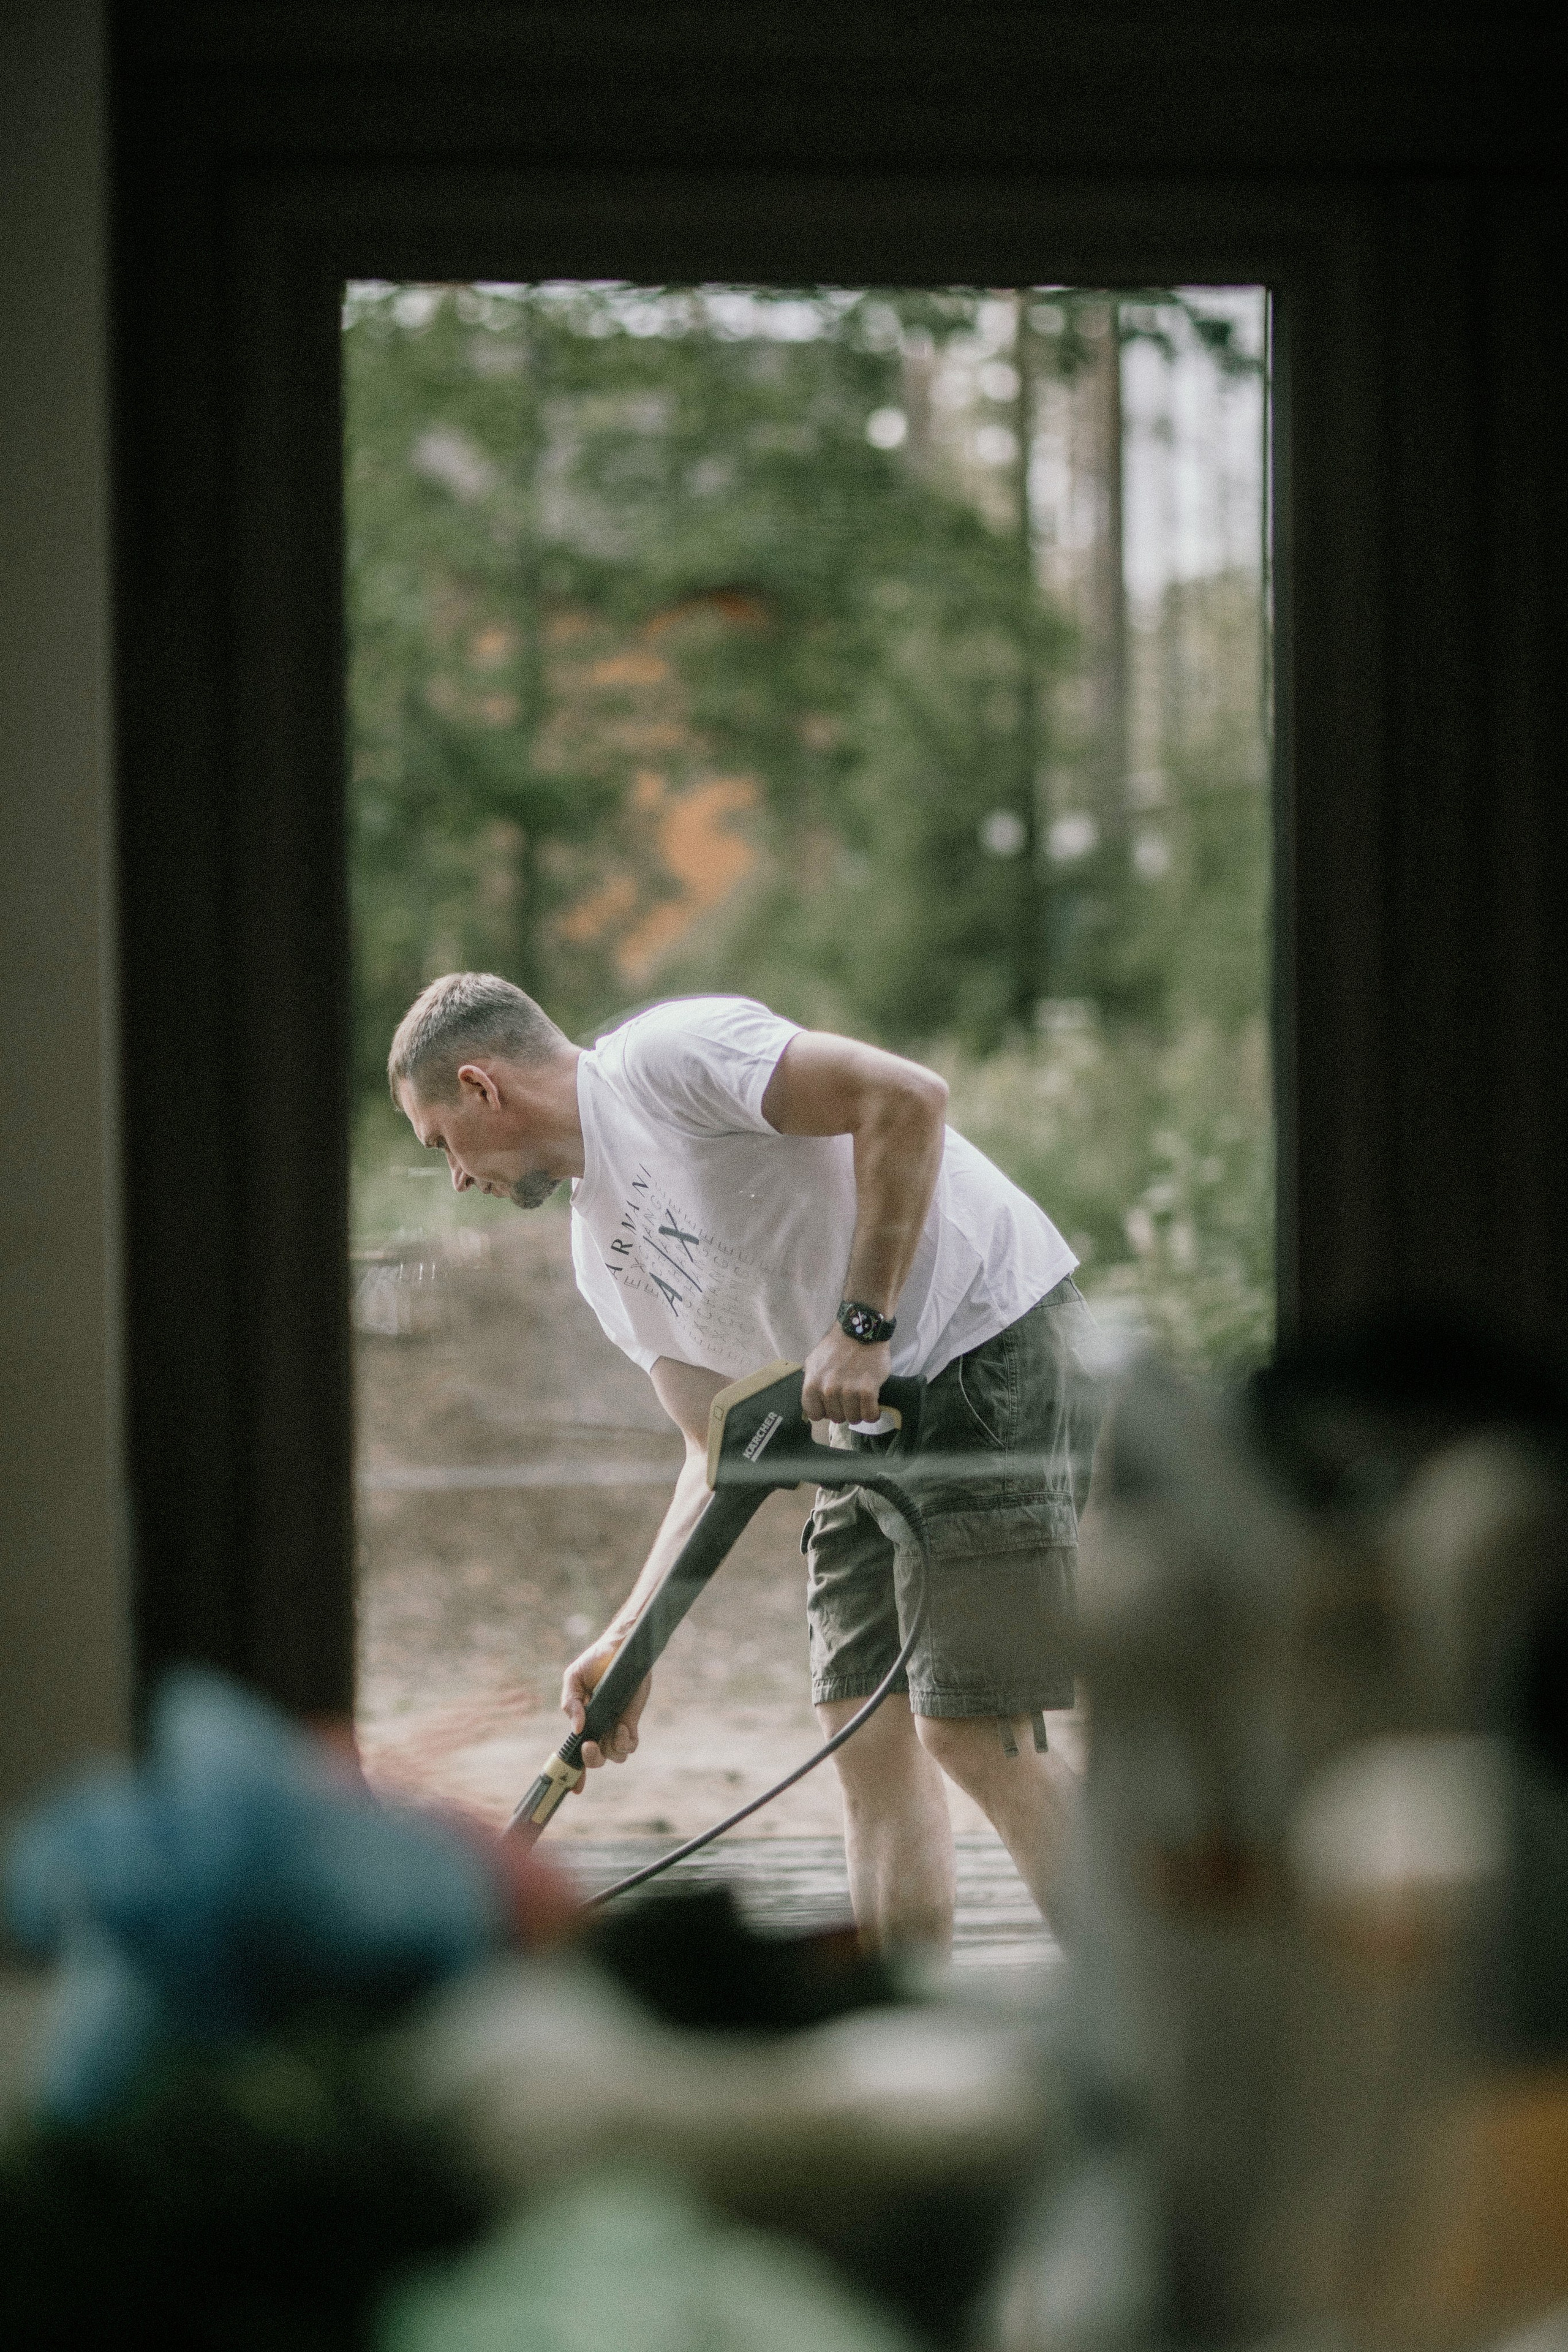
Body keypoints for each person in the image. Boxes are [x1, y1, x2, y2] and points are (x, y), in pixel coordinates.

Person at [388, 972, 1102, 1951]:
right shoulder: (604, 1261)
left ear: (480, 1086)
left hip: (986, 1338)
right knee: (862, 1725)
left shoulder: (669, 1061)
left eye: (440, 1145)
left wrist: (863, 1322)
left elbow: (907, 1097)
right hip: (863, 1416)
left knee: (976, 1730)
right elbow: (714, 1452)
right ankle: (892, 2042)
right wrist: (630, 1639)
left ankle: (1163, 2037)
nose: (456, 1176)